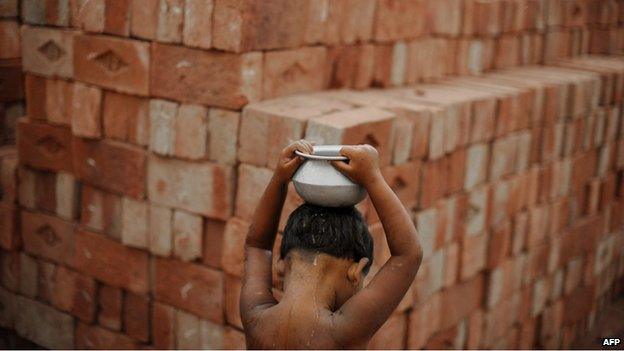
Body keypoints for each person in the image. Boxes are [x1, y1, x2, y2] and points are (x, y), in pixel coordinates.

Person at [240, 139, 423, 349]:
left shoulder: (255, 316)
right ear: (356, 271)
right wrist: (373, 178)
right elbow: (408, 256)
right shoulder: (343, 331)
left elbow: (257, 247)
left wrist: (280, 178)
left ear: (281, 264)